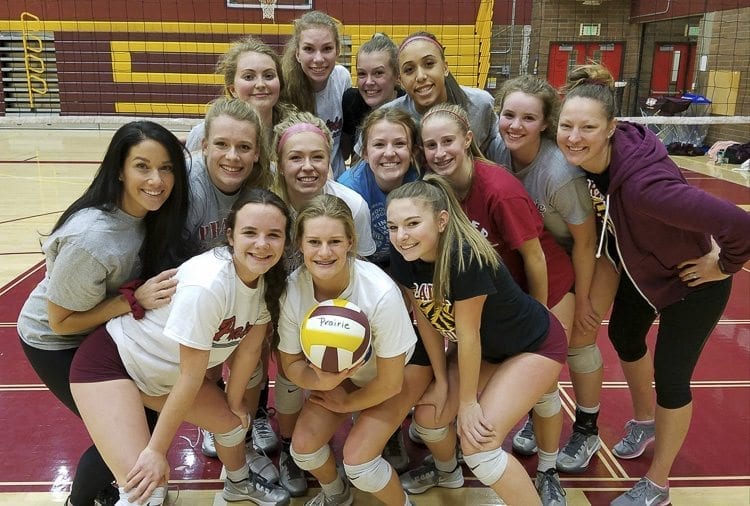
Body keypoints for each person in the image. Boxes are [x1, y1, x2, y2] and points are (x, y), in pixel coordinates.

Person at [556, 63, 750, 506]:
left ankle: (658, 484)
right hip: (643, 271)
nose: (574, 137)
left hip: (693, 284)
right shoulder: (595, 161)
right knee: (625, 337)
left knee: (672, 380)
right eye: (567, 126)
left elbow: (740, 225)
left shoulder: (647, 188)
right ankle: (644, 422)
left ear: (611, 128)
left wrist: (724, 265)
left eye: (588, 128)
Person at [69, 190, 293, 506]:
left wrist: (234, 403)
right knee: (145, 490)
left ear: (285, 241)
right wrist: (156, 451)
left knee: (232, 426)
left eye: (273, 235)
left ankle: (239, 484)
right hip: (113, 367)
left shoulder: (265, 281)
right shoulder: (208, 285)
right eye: (250, 233)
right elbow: (191, 376)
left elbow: (247, 352)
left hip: (163, 375)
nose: (262, 243)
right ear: (230, 235)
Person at [17, 121, 191, 506]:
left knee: (143, 419)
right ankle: (79, 501)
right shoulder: (92, 239)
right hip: (54, 340)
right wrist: (133, 301)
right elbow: (61, 322)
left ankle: (103, 489)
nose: (157, 180)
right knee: (125, 430)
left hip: (103, 331)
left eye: (166, 168)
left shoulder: (151, 214)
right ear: (120, 171)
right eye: (142, 166)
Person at [418, 102, 575, 504]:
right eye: (431, 145)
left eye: (448, 141)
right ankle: (450, 464)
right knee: (446, 407)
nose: (440, 152)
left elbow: (535, 258)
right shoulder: (435, 190)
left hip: (541, 289)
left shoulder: (498, 190)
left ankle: (548, 470)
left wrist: (537, 314)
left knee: (544, 388)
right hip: (492, 305)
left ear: (468, 140)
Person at [386, 175, 568, 505]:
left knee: (479, 446)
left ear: (441, 221)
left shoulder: (464, 256)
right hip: (489, 349)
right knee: (429, 418)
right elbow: (426, 318)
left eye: (412, 223)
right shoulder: (405, 253)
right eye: (393, 226)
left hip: (532, 346)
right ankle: (447, 472)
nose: (401, 235)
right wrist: (442, 381)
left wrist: (468, 403)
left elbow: (468, 336)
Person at [277, 194, 430, 506]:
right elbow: (291, 365)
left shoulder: (379, 291)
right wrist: (321, 381)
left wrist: (347, 403)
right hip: (344, 375)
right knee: (303, 449)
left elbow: (390, 383)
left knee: (359, 464)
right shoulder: (292, 290)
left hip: (400, 371)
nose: (324, 252)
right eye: (314, 242)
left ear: (350, 241)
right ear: (299, 244)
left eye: (334, 241)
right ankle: (337, 494)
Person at [496, 75, 608, 484]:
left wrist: (585, 298)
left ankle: (587, 430)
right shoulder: (498, 149)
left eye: (528, 118)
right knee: (532, 347)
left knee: (578, 342)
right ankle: (537, 415)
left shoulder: (559, 173)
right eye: (509, 115)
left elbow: (587, 241)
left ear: (545, 123)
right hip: (539, 258)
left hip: (586, 257)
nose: (515, 126)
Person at [270, 111, 377, 497]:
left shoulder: (351, 205)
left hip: (335, 305)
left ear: (330, 157)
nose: (307, 166)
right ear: (279, 162)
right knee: (289, 373)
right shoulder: (268, 203)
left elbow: (361, 268)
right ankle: (289, 447)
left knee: (356, 370)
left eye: (317, 156)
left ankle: (373, 428)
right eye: (295, 157)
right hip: (281, 302)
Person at [183, 96, 282, 482]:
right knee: (206, 365)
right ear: (204, 144)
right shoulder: (189, 187)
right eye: (222, 144)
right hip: (201, 293)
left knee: (252, 361)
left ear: (257, 153)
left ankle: (250, 418)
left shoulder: (262, 183)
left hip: (247, 286)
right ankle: (214, 419)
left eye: (243, 147)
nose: (232, 156)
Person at [360, 31, 504, 162]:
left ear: (445, 68)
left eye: (429, 64)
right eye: (409, 70)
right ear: (400, 80)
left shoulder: (480, 104)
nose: (420, 76)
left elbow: (501, 158)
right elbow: (361, 166)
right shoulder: (388, 115)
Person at [338, 107, 420, 267]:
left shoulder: (422, 182)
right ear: (364, 153)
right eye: (379, 145)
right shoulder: (348, 190)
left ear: (413, 152)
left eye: (400, 144)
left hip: (409, 261)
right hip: (361, 264)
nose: (389, 153)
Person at [185, 35, 294, 153]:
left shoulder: (295, 131)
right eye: (248, 77)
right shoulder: (203, 133)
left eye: (268, 76)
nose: (260, 84)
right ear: (232, 90)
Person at [282, 10, 350, 178]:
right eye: (309, 49)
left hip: (338, 180)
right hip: (303, 180)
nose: (318, 59)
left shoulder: (342, 78)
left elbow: (346, 146)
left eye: (327, 49)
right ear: (297, 53)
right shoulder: (284, 89)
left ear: (338, 50)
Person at [341, 33, 404, 161]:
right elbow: (344, 154)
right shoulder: (351, 101)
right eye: (362, 74)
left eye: (378, 73)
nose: (369, 82)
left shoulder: (408, 105)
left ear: (397, 76)